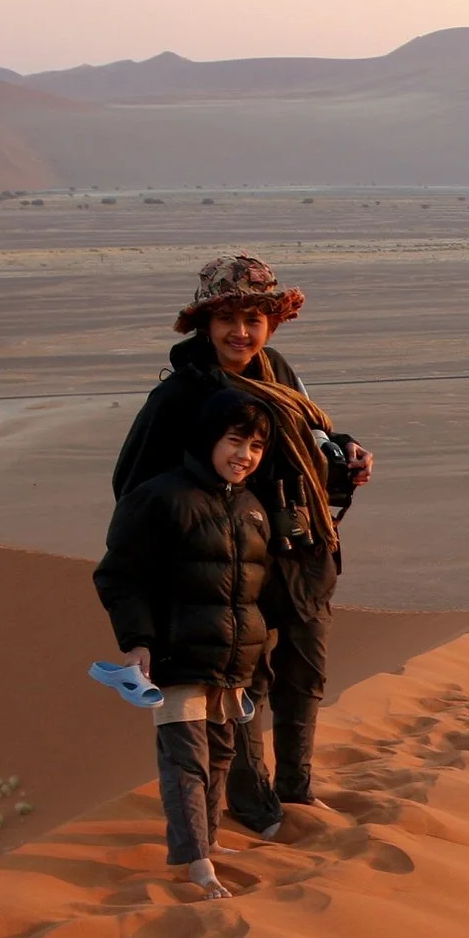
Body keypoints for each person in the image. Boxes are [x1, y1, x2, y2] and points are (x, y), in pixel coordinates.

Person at [110, 254, 373, 834]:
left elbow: (308, 437)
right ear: (205, 323)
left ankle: (296, 790)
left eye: (254, 317)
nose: (240, 331)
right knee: (244, 680)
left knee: (305, 672)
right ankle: (256, 810)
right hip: (227, 560)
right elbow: (133, 489)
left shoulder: (277, 371)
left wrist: (345, 451)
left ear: (272, 323)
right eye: (226, 316)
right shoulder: (182, 395)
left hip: (301, 554)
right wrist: (203, 517)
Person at [95, 389, 278, 898]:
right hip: (175, 655)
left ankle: (211, 842)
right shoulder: (160, 498)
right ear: (208, 440)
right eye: (234, 440)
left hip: (230, 659)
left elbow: (251, 590)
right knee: (185, 763)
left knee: (220, 754)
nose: (244, 455)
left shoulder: (251, 507)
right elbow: (118, 576)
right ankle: (194, 860)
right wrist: (137, 642)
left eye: (255, 446)